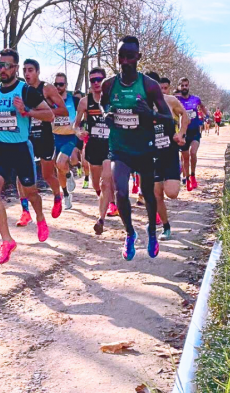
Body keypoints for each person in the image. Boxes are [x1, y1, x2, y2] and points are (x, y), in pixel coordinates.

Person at [100, 36, 174, 260]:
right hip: (120, 148)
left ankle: (151, 230)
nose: (124, 61)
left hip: (145, 148)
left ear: (138, 58)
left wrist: (149, 114)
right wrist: (107, 115)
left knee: (150, 194)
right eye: (121, 56)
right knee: (120, 191)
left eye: (129, 56)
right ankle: (130, 233)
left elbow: (168, 120)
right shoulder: (109, 84)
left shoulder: (149, 86)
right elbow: (103, 103)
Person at [0, 49, 54, 264]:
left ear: (15, 68)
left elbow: (49, 115)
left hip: (21, 149)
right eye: (0, 65)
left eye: (7, 66)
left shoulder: (26, 91)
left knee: (31, 194)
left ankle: (40, 219)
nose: (2, 69)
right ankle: (7, 241)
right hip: (0, 149)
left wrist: (27, 112)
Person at [17, 59, 66, 226]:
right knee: (20, 174)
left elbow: (63, 110)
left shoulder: (47, 88)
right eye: (24, 70)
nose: (27, 73)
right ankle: (25, 211)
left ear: (38, 72)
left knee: (47, 175)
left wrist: (40, 112)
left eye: (30, 70)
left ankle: (58, 196)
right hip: (26, 136)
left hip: (44, 136)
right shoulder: (21, 89)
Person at [74, 67, 117, 234]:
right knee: (96, 184)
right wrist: (79, 132)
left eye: (100, 79)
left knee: (105, 182)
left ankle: (101, 220)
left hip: (111, 145)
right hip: (93, 146)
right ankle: (108, 201)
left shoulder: (113, 100)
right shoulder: (85, 102)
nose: (97, 83)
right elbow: (75, 125)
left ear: (105, 81)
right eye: (93, 80)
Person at [153, 75, 188, 241]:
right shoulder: (143, 104)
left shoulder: (171, 101)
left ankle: (178, 172)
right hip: (152, 156)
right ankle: (166, 227)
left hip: (170, 152)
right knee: (157, 194)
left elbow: (185, 116)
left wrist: (180, 133)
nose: (160, 91)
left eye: (163, 88)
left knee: (172, 193)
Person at [50, 72, 81, 210]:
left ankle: (69, 175)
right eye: (55, 84)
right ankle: (66, 195)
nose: (58, 87)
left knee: (60, 162)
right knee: (59, 168)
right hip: (55, 137)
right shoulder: (50, 101)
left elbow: (83, 118)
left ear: (66, 85)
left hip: (70, 137)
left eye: (61, 84)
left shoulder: (73, 101)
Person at [176, 77, 208, 191]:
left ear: (189, 86)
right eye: (182, 85)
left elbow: (203, 107)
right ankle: (187, 177)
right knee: (185, 158)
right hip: (184, 132)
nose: (184, 87)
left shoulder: (196, 99)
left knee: (193, 152)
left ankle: (193, 176)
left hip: (195, 131)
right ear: (179, 86)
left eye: (186, 85)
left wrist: (207, 116)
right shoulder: (176, 100)